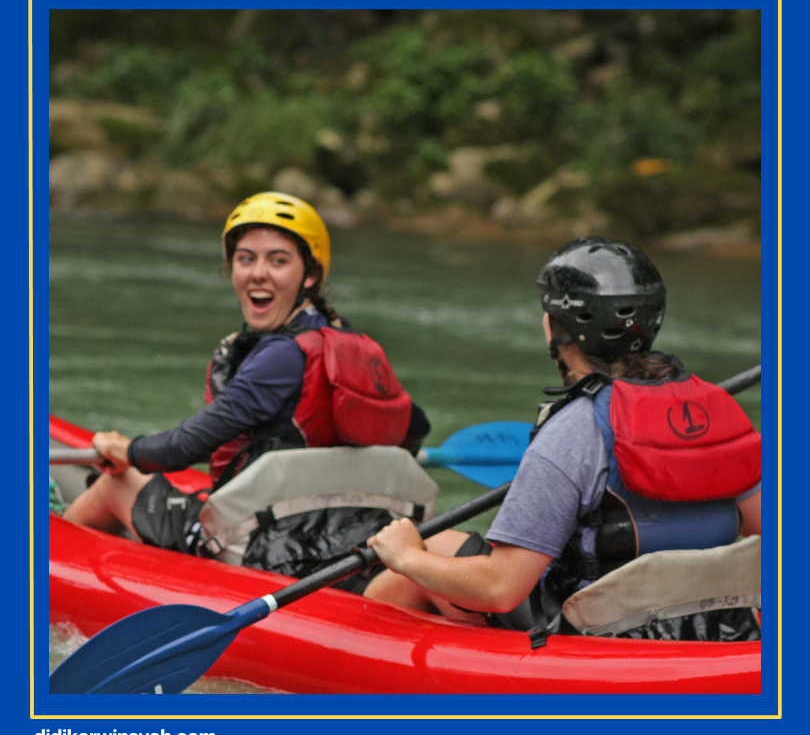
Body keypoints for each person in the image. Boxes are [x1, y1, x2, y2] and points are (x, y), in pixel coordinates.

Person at [365, 236, 761, 641]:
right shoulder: (716, 410)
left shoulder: (575, 430)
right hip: (719, 627)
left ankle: (360, 665)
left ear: (559, 327)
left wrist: (405, 557)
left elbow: (500, 589)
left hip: (600, 635)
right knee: (441, 540)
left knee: (411, 570)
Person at [64, 191, 430, 592]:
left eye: (278, 260)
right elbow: (413, 427)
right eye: (245, 258)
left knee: (118, 482)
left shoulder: (280, 357)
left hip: (266, 549)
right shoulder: (352, 344)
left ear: (308, 275)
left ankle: (53, 568)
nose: (258, 273)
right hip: (336, 536)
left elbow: (179, 450)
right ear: (233, 269)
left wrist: (127, 451)